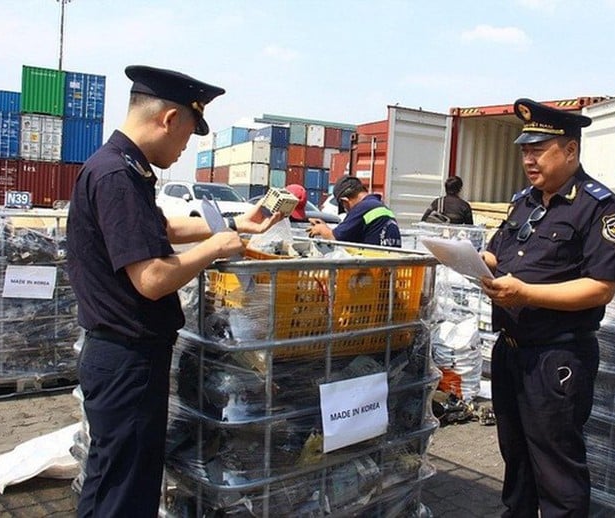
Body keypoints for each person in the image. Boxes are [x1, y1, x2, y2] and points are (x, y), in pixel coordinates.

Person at [66, 65, 283, 518]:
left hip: (124, 357)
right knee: (122, 488)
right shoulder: (117, 177)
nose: (187, 145)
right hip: (126, 358)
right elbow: (151, 279)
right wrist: (215, 247)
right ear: (168, 119)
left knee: (118, 477)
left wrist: (238, 224)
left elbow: (162, 227)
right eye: (188, 132)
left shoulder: (121, 168)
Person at [480, 98, 615, 518]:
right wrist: (471, 261)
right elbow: (499, 256)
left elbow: (601, 288)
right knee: (516, 458)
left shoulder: (599, 207)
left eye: (538, 150)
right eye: (525, 151)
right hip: (511, 349)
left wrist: (526, 294)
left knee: (557, 467)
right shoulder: (524, 201)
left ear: (570, 151)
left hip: (557, 357)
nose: (529, 160)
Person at [308, 175, 401, 247]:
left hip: (373, 268)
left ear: (345, 201)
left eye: (344, 207)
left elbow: (334, 238)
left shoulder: (363, 208)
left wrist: (320, 229)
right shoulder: (381, 207)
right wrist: (325, 226)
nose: (347, 211)